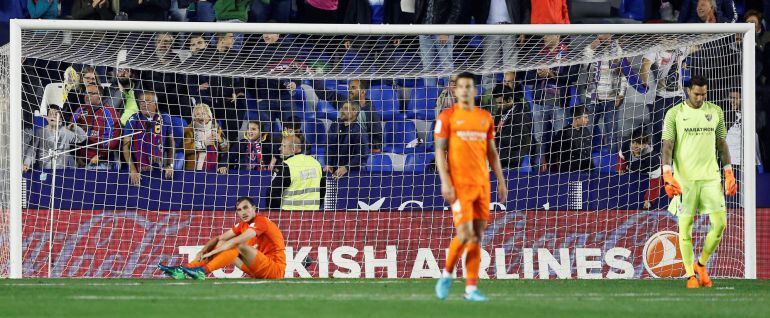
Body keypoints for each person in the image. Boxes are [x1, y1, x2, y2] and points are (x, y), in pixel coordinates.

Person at [433, 72, 507, 302]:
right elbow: (439, 151)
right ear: (454, 91)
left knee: (476, 236)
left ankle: (470, 288)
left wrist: (501, 181)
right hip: (459, 184)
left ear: (475, 91)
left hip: (482, 184)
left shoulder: (485, 118)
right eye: (460, 86)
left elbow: (492, 153)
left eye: (469, 86)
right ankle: (447, 274)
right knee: (466, 233)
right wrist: (445, 181)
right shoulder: (447, 117)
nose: (464, 90)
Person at [661, 75, 737, 288]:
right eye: (696, 94)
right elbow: (667, 146)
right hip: (685, 181)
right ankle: (690, 276)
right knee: (685, 228)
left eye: (704, 94)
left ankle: (701, 264)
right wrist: (667, 174)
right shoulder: (675, 113)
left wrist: (728, 173)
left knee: (720, 224)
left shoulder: (715, 111)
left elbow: (722, 144)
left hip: (711, 178)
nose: (700, 98)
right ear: (688, 91)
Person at [158, 197, 286, 280]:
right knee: (221, 243)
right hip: (256, 270)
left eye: (246, 208)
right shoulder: (242, 225)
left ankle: (202, 271)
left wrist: (213, 252)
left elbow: (237, 241)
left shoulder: (261, 221)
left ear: (254, 208)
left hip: (275, 270)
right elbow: (219, 238)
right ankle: (183, 270)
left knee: (236, 246)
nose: (243, 212)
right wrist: (204, 250)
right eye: (239, 210)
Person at [122, 91, 175, 186]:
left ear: (155, 104)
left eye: (147, 101)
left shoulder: (165, 118)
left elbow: (171, 142)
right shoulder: (133, 120)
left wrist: (170, 164)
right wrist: (133, 170)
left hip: (162, 160)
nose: (143, 104)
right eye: (141, 101)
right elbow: (125, 147)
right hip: (139, 164)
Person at [266, 133, 326, 211]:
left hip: (290, 216)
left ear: (293, 149)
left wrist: (273, 213)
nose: (280, 148)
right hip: (313, 215)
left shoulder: (286, 166)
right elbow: (322, 189)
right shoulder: (316, 163)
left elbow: (272, 193)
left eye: (284, 146)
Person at [23, 105, 87, 172]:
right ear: (46, 117)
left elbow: (83, 138)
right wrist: (26, 163)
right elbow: (31, 150)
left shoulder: (66, 132)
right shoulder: (40, 132)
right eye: (50, 114)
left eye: (56, 114)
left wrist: (74, 127)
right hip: (44, 171)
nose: (53, 116)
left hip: (61, 172)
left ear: (60, 118)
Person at [414, 0, 463, 86]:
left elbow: (456, 8)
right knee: (428, 67)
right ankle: (429, 96)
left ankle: (448, 97)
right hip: (424, 29)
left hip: (442, 30)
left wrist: (446, 30)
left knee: (446, 66)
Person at [72, 84, 121, 169]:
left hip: (101, 161)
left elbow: (114, 141)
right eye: (86, 93)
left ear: (100, 95)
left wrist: (100, 156)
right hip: (79, 160)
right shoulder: (79, 111)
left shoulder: (109, 112)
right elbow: (70, 135)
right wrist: (76, 156)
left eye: (91, 93)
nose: (87, 96)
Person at [617, 129, 661, 210]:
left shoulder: (652, 159)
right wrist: (621, 167)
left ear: (645, 144)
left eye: (639, 143)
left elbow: (656, 182)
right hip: (633, 168)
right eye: (633, 142)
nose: (635, 146)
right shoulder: (626, 145)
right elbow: (621, 156)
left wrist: (649, 200)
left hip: (648, 171)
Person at [492, 83, 532, 169]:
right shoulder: (502, 110)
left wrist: (498, 136)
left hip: (513, 162)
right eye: (497, 103)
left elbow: (520, 140)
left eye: (500, 103)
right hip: (499, 158)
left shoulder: (522, 115)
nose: (498, 106)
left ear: (510, 99)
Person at [543, 105, 593, 173]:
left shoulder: (586, 131)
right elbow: (551, 151)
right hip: (569, 172)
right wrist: (553, 170)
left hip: (586, 170)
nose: (588, 120)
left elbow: (588, 153)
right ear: (576, 118)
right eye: (585, 117)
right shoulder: (564, 133)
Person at [325, 101, 367, 179]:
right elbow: (329, 145)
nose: (342, 111)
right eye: (342, 108)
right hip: (333, 171)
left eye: (346, 108)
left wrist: (346, 167)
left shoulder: (359, 131)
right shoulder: (335, 125)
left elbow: (362, 154)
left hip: (351, 174)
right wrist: (328, 163)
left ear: (354, 111)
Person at [183, 103, 229, 173]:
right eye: (198, 114)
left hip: (214, 168)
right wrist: (203, 144)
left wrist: (221, 140)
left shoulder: (216, 127)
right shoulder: (189, 129)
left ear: (209, 115)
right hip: (195, 168)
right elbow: (185, 148)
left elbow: (226, 149)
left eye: (203, 113)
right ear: (194, 117)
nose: (201, 116)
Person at [348, 79, 383, 152]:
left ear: (363, 91)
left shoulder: (370, 111)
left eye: (353, 88)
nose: (349, 90)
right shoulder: (347, 107)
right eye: (349, 88)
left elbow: (376, 134)